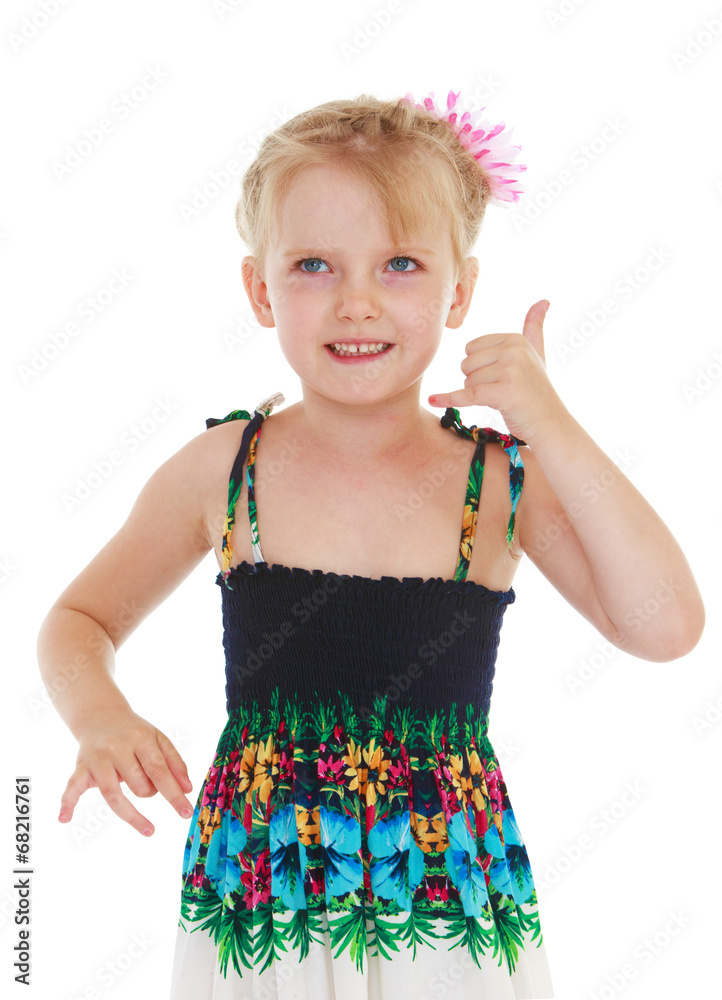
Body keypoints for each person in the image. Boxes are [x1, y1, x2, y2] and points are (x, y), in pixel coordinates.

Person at [36, 90, 705, 1000]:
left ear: (458, 291)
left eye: (400, 265)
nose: (357, 303)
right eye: (314, 265)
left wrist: (552, 423)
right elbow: (79, 618)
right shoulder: (225, 469)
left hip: (440, 890)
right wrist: (98, 716)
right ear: (260, 290)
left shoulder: (500, 480)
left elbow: (665, 625)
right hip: (266, 889)